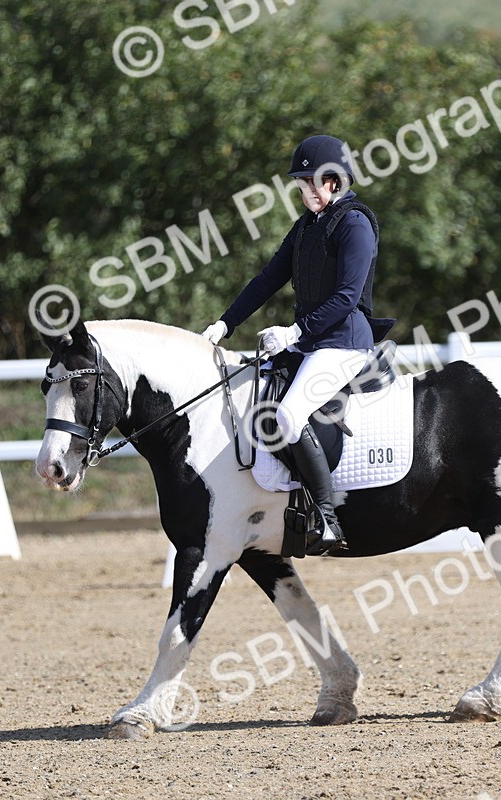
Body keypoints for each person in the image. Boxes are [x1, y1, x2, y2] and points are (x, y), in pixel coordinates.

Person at [201, 134, 393, 556]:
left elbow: (346, 297)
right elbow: (268, 279)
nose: (304, 190)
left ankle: (327, 516)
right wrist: (224, 323)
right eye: (301, 183)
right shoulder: (307, 226)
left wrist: (294, 332)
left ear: (335, 182)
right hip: (312, 342)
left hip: (343, 344)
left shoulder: (356, 224)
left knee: (287, 416)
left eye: (310, 182)